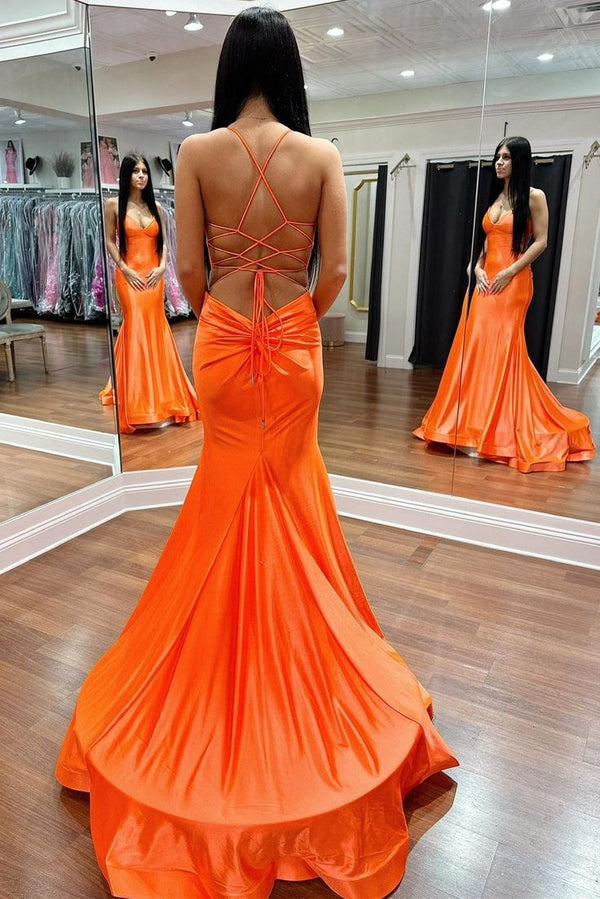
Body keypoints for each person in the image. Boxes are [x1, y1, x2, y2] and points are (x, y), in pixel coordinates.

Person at [56, 9, 457, 899]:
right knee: (292, 488)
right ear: (290, 69)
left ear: (232, 66)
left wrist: (232, 324)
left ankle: (220, 673)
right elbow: (336, 274)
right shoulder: (322, 157)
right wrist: (294, 323)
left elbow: (188, 275)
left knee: (227, 486)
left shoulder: (198, 153)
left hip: (225, 343)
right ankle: (304, 668)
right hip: (295, 344)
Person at [414, 135, 595, 472]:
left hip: (513, 283)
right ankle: (470, 425)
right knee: (475, 349)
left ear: (520, 161)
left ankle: (493, 432)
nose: (499, 163)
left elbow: (541, 241)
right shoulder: (497, 196)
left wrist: (510, 271)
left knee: (500, 350)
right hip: (485, 281)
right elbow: (488, 239)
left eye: (506, 157)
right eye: (498, 157)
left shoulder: (534, 197)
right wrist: (476, 267)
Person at [99, 154, 199, 433]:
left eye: (144, 171)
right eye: (136, 171)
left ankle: (160, 392)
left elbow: (164, 242)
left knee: (155, 328)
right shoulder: (113, 205)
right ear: (126, 175)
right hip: (129, 276)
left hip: (154, 276)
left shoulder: (157, 207)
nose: (142, 175)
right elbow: (109, 240)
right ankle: (139, 398)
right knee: (136, 327)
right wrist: (124, 268)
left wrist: (163, 266)